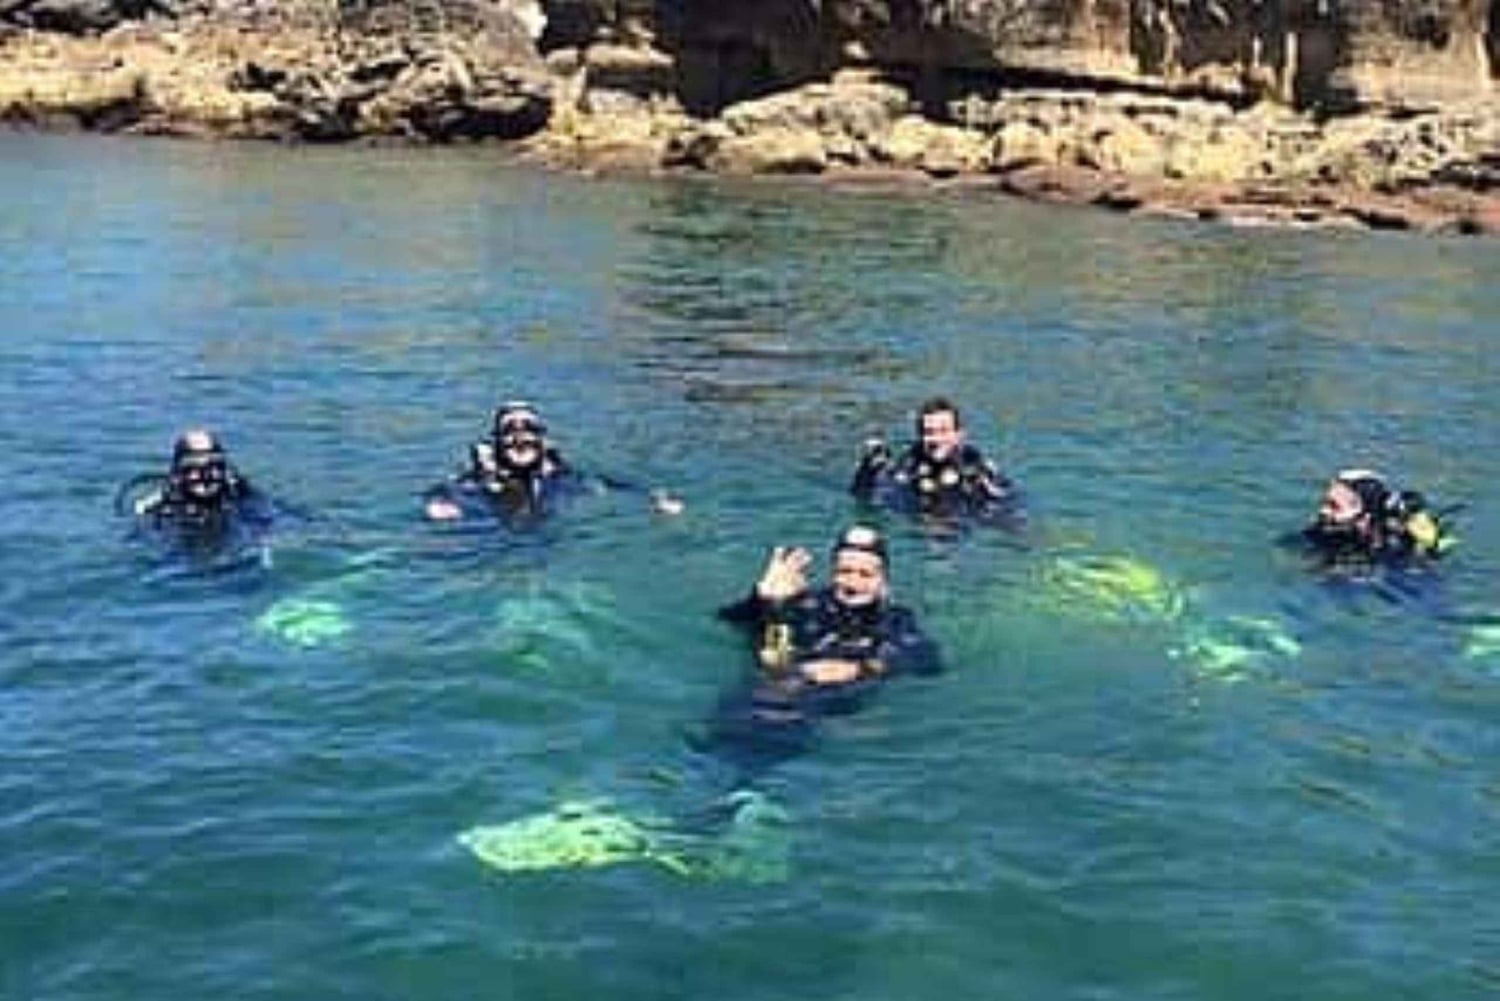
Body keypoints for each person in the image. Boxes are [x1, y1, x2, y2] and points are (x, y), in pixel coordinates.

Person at [705, 525, 941, 768]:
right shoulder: (806, 604)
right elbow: (730, 622)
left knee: (771, 742)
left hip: (824, 702)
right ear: (832, 573)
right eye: (845, 572)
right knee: (723, 734)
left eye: (865, 574)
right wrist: (762, 599)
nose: (853, 583)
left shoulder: (894, 618)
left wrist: (863, 668)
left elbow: (927, 659)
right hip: (767, 690)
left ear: (883, 580)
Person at [851, 396, 1022, 527]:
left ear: (959, 435)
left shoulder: (977, 468)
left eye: (943, 431)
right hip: (917, 525)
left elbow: (1009, 502)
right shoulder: (908, 465)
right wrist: (868, 468)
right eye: (929, 432)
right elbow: (863, 497)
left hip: (961, 525)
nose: (936, 439)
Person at [423, 400, 586, 523]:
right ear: (496, 442)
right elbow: (441, 495)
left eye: (529, 428)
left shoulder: (567, 480)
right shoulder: (473, 484)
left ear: (542, 439)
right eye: (509, 430)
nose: (520, 438)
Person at [122, 428, 274, 534]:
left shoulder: (239, 494)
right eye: (193, 468)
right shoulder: (160, 506)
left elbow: (276, 519)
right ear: (178, 473)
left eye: (213, 466)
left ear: (224, 469)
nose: (205, 476)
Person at [1293, 468, 1454, 566]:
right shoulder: (1323, 531)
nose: (1323, 511)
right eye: (1325, 503)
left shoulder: (1394, 545)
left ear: (1365, 516)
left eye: (1335, 506)